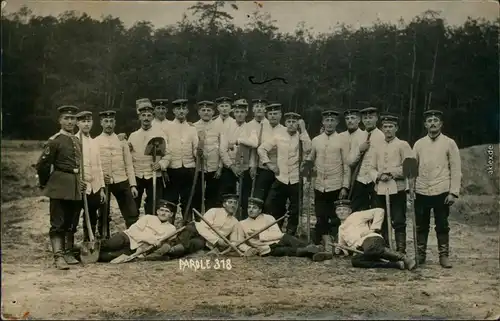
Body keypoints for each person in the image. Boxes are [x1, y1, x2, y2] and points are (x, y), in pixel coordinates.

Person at [35, 105, 85, 270]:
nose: (70, 122)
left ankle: (68, 251)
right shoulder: (55, 140)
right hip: (60, 183)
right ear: (60, 120)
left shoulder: (77, 139)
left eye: (73, 119)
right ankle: (58, 256)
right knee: (58, 221)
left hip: (75, 184)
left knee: (72, 220)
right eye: (66, 118)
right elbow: (42, 164)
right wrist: (46, 183)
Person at [412, 109, 461, 268]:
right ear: (425, 124)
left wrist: (453, 192)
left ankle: (444, 256)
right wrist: (410, 189)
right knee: (421, 224)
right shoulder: (418, 144)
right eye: (429, 120)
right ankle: (420, 254)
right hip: (421, 190)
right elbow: (411, 168)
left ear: (441, 124)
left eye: (436, 120)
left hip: (441, 191)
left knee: (442, 224)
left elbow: (455, 168)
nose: (432, 123)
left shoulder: (449, 143)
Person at [258, 112, 311, 236]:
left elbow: (308, 149)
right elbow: (261, 149)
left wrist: (303, 129)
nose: (291, 124)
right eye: (289, 122)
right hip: (281, 178)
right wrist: (269, 164)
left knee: (295, 209)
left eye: (294, 122)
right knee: (272, 204)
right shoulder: (278, 136)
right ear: (285, 123)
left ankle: (290, 234)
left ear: (298, 123)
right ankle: (275, 231)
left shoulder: (302, 136)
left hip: (296, 179)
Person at [304, 110, 350, 250]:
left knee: (334, 216)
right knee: (320, 214)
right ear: (323, 122)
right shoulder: (316, 140)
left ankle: (336, 243)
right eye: (327, 121)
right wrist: (307, 179)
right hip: (319, 184)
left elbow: (346, 165)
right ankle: (320, 243)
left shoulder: (342, 140)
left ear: (337, 123)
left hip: (335, 184)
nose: (329, 124)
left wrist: (344, 186)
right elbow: (310, 160)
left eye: (332, 121)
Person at [232, 197, 332, 261]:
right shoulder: (242, 224)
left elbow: (278, 234)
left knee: (289, 238)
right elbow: (240, 242)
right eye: (249, 207)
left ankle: (313, 248)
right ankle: (314, 252)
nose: (251, 209)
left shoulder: (268, 218)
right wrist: (249, 249)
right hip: (265, 248)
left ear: (260, 210)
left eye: (254, 207)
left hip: (279, 240)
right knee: (287, 251)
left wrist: (260, 235)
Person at [368, 114, 413, 253]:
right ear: (382, 129)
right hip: (380, 189)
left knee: (398, 220)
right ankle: (385, 247)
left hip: (396, 189)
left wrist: (392, 173)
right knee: (380, 218)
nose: (388, 130)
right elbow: (371, 167)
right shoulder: (376, 146)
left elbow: (410, 168)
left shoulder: (403, 145)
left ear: (396, 128)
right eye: (385, 127)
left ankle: (400, 249)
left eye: (391, 127)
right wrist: (378, 176)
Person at [335, 200, 416, 271]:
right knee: (355, 261)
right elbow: (344, 248)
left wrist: (373, 229)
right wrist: (339, 249)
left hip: (371, 239)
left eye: (344, 209)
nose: (341, 212)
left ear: (350, 211)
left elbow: (379, 211)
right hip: (361, 249)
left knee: (371, 249)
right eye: (339, 210)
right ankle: (396, 264)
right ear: (336, 212)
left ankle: (403, 258)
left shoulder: (357, 215)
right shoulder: (341, 228)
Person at [94, 110, 140, 231]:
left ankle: (132, 236)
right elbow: (94, 164)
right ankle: (104, 238)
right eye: (106, 121)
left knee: (132, 211)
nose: (108, 124)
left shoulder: (121, 141)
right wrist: (100, 179)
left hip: (122, 180)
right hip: (104, 182)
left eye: (111, 121)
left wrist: (133, 185)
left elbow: (129, 164)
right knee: (103, 212)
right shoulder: (96, 141)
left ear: (115, 123)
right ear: (101, 123)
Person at [98, 199, 178, 262]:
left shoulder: (171, 229)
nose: (163, 213)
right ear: (157, 211)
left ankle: (94, 257)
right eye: (161, 210)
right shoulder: (148, 217)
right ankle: (89, 249)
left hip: (136, 248)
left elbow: (163, 244)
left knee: (107, 256)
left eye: (167, 211)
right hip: (127, 237)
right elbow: (133, 230)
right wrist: (148, 239)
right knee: (110, 245)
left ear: (171, 214)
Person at [128, 99, 170, 216]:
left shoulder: (160, 134)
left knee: (153, 206)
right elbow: (128, 159)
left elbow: (168, 155)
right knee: (133, 205)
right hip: (138, 176)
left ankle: (151, 227)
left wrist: (161, 164)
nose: (146, 118)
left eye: (149, 115)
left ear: (152, 117)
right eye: (143, 115)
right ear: (139, 117)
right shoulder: (133, 136)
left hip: (154, 175)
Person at [165, 194, 240, 258]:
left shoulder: (235, 222)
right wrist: (216, 240)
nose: (233, 205)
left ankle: (170, 253)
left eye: (235, 203)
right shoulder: (214, 211)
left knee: (197, 244)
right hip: (196, 230)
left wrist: (229, 244)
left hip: (206, 241)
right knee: (189, 231)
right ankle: (167, 248)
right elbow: (202, 228)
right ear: (224, 204)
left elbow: (234, 240)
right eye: (230, 202)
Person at [219, 99, 259, 218]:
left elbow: (254, 144)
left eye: (242, 112)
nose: (240, 114)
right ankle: (227, 220)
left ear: (246, 113)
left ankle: (243, 221)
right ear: (234, 113)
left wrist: (239, 140)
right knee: (228, 195)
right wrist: (231, 166)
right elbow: (222, 149)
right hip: (230, 167)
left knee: (245, 196)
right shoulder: (227, 128)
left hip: (245, 167)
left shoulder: (251, 128)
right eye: (237, 112)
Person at [73, 111, 107, 253]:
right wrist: (77, 181)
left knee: (92, 216)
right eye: (83, 121)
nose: (86, 124)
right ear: (77, 123)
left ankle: (89, 242)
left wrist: (102, 188)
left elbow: (99, 166)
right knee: (74, 217)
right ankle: (69, 247)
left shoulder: (94, 142)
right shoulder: (74, 140)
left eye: (89, 121)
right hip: (79, 187)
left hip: (94, 187)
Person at [163, 98, 200, 223]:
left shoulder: (192, 128)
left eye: (184, 108)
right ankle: (169, 228)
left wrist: (198, 153)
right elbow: (165, 149)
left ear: (187, 111)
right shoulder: (167, 128)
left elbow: (195, 147)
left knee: (188, 200)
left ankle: (186, 227)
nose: (181, 111)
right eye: (178, 109)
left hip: (189, 168)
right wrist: (165, 169)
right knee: (171, 200)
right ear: (174, 111)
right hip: (173, 169)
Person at [347, 106, 385, 212]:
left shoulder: (382, 136)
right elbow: (350, 161)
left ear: (376, 118)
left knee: (377, 210)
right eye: (365, 118)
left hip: (375, 180)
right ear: (362, 120)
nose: (368, 120)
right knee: (358, 211)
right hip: (360, 180)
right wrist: (360, 149)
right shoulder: (357, 136)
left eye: (371, 117)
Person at [252, 103, 285, 205]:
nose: (273, 116)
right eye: (270, 113)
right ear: (266, 115)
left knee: (276, 200)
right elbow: (255, 148)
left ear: (280, 115)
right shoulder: (261, 128)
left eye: (275, 113)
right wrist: (253, 165)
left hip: (279, 170)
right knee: (259, 198)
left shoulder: (285, 130)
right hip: (263, 168)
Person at [193, 100, 223, 210]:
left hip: (214, 168)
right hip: (199, 168)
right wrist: (197, 153)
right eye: (203, 110)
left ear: (213, 112)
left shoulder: (219, 127)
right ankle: (197, 218)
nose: (206, 112)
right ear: (199, 112)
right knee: (197, 195)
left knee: (213, 196)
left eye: (209, 110)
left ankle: (211, 219)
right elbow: (192, 147)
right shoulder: (193, 127)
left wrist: (220, 167)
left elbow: (222, 148)